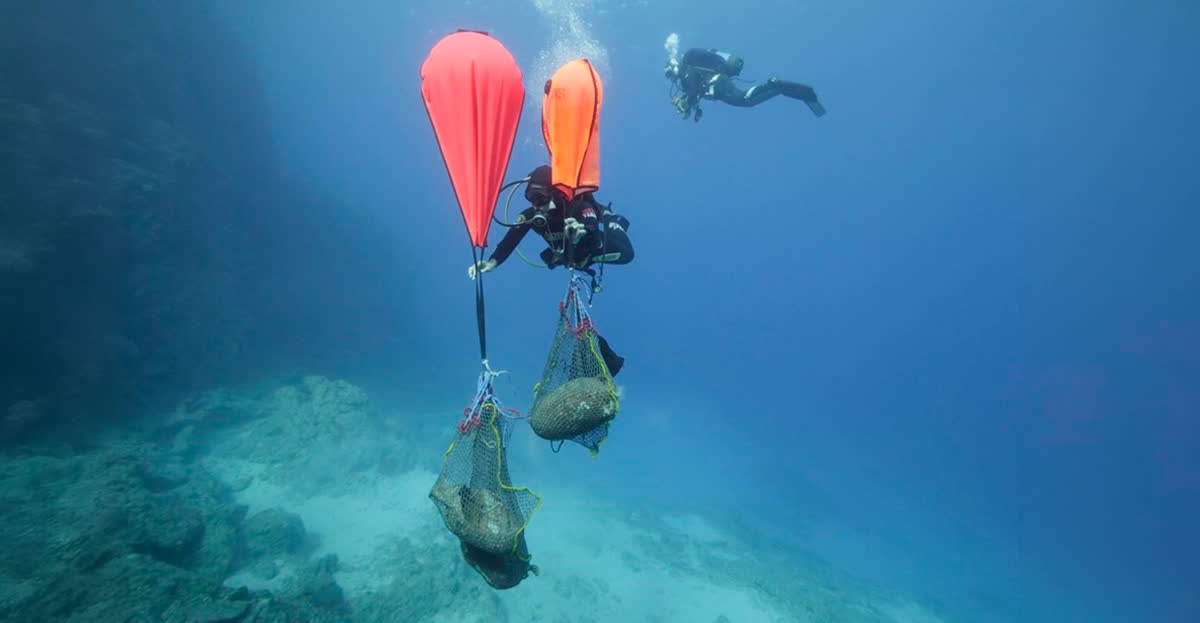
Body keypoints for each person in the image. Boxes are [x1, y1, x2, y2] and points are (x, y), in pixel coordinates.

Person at [467, 164, 633, 376]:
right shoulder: (532, 216)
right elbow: (511, 240)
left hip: (592, 250)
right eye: (531, 199)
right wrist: (491, 263)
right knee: (553, 257)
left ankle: (610, 216)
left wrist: (582, 232)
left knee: (627, 254)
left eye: (541, 198)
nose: (536, 205)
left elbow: (589, 225)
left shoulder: (578, 208)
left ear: (555, 194)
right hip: (567, 255)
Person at [664, 47, 826, 122]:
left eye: (670, 74)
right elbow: (695, 92)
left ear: (674, 67)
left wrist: (685, 104)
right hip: (717, 89)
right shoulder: (686, 77)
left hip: (718, 84)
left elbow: (693, 90)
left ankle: (773, 85)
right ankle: (778, 88)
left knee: (744, 99)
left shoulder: (686, 71)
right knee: (748, 102)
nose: (671, 78)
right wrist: (687, 106)